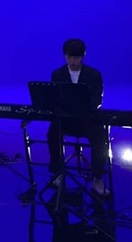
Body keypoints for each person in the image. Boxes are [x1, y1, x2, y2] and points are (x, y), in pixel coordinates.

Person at [47, 38, 109, 196]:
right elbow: (54, 100)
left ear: (83, 56)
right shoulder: (57, 74)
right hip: (66, 120)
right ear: (65, 56)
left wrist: (83, 108)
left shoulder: (94, 74)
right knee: (52, 133)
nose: (72, 61)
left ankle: (97, 178)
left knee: (100, 137)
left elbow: (97, 100)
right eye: (69, 57)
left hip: (87, 120)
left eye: (76, 58)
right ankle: (58, 173)